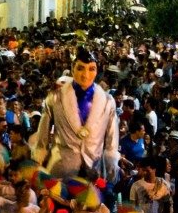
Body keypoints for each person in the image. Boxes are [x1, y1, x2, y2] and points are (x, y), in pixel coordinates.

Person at [32, 47, 120, 182]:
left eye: (91, 69)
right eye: (80, 68)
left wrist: (111, 164)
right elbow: (42, 138)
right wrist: (39, 159)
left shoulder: (108, 102)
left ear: (97, 71)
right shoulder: (55, 98)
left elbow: (111, 142)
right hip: (61, 169)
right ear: (73, 68)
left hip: (94, 171)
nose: (85, 75)